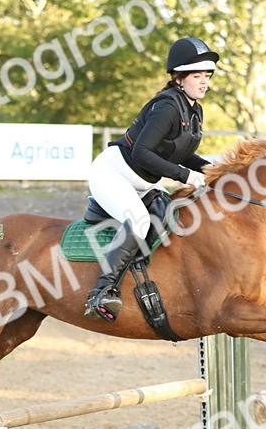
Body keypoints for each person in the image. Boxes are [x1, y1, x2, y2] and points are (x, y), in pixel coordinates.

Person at [82, 36, 217, 322]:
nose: (204, 82)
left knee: (167, 214)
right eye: (197, 76)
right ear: (179, 78)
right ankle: (101, 293)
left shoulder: (194, 109)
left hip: (140, 181)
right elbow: (143, 152)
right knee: (140, 222)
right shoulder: (168, 107)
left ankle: (136, 272)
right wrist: (186, 176)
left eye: (207, 76)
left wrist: (214, 170)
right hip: (113, 173)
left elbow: (182, 154)